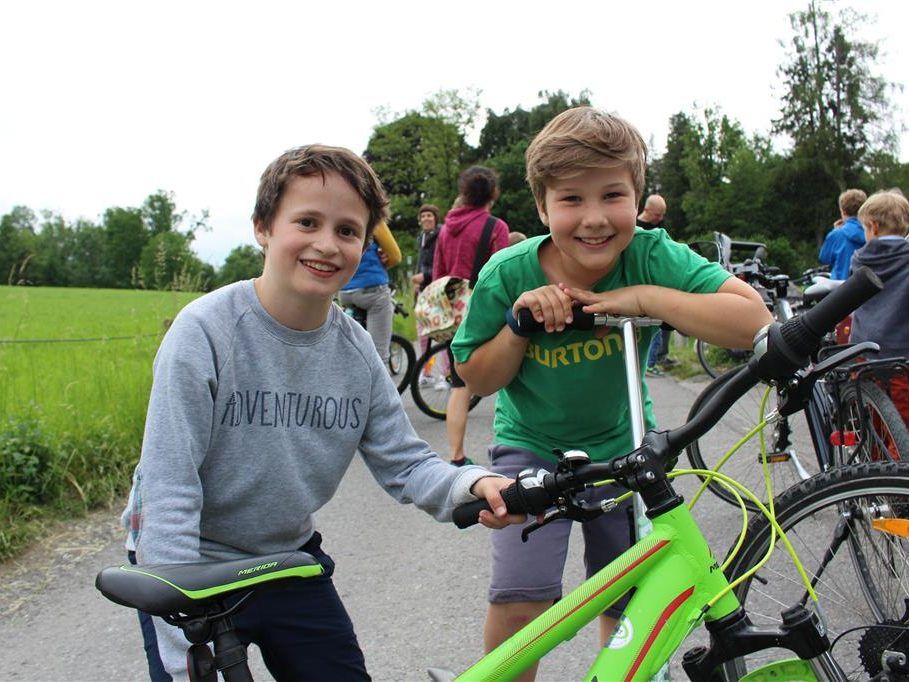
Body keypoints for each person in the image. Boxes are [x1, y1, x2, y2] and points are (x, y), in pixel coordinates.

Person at [121, 144, 522, 682]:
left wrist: (474, 485)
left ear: (366, 243)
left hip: (285, 557)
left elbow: (405, 463)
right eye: (307, 221)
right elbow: (169, 489)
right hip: (193, 563)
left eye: (348, 231)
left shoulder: (356, 351)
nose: (327, 245)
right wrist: (181, 647)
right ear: (263, 227)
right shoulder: (205, 333)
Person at [450, 107, 772, 680]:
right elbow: (477, 378)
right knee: (523, 599)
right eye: (571, 199)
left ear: (637, 196)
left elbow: (753, 322)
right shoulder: (508, 273)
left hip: (624, 449)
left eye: (612, 195)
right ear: (543, 207)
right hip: (532, 447)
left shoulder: (649, 254)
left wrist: (647, 298)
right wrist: (519, 326)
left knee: (629, 600)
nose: (594, 218)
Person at [432, 166, 509, 466]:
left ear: (464, 193)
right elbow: (504, 275)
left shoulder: (445, 229)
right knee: (511, 378)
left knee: (459, 386)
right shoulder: (496, 227)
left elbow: (438, 274)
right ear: (493, 194)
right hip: (485, 310)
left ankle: (456, 455)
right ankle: (515, 452)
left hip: (452, 309)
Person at [848, 188, 909, 425]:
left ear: (872, 226)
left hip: (866, 352)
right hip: (903, 354)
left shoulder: (860, 259)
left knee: (876, 423)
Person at [337, 218, 401, 365]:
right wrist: (385, 262)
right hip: (372, 289)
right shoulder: (372, 217)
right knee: (378, 356)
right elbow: (395, 255)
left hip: (345, 291)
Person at [636, 194, 675, 374]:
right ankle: (648, 364)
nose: (660, 219)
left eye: (663, 215)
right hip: (639, 285)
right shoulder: (636, 227)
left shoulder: (659, 228)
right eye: (658, 215)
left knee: (661, 328)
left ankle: (656, 359)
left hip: (657, 284)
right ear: (647, 210)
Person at [412, 204, 441, 384]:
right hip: (422, 291)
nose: (426, 219)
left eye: (429, 215)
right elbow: (420, 262)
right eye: (423, 216)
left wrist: (426, 276)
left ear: (435, 218)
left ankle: (447, 374)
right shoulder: (421, 237)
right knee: (423, 336)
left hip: (437, 290)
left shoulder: (441, 236)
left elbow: (441, 263)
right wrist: (417, 282)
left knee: (441, 333)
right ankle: (427, 372)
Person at [819, 188, 868, 280]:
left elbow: (824, 258)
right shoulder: (872, 232)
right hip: (866, 287)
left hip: (841, 287)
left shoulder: (836, 234)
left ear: (843, 212)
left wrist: (835, 231)